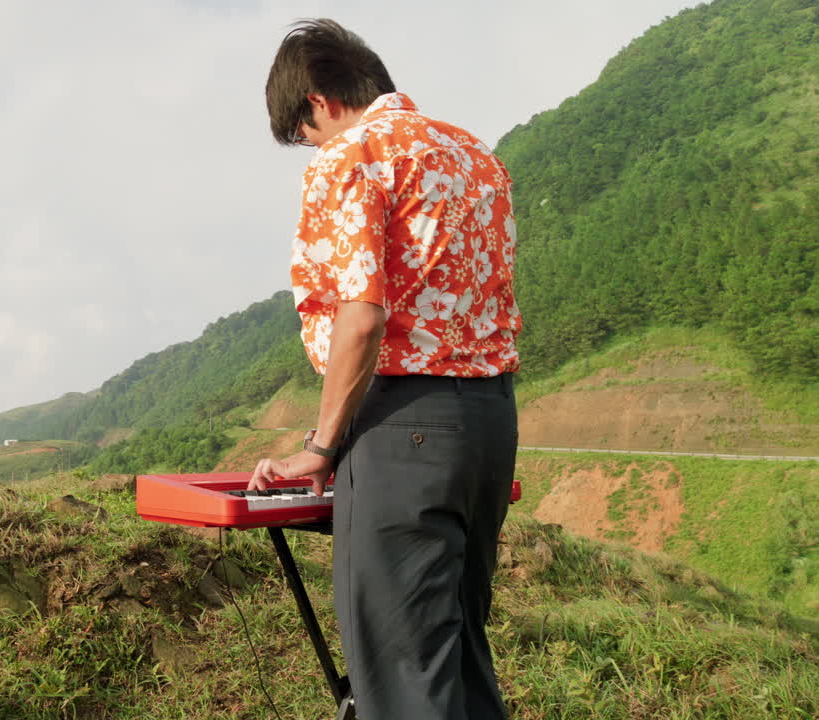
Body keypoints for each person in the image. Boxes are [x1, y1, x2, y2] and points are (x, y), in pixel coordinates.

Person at [249, 19, 522, 720]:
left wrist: (320, 446)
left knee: (405, 679)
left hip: (404, 427)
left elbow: (362, 314)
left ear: (317, 102)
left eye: (306, 135)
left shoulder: (354, 158)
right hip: (490, 420)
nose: (313, 148)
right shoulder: (475, 156)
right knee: (459, 658)